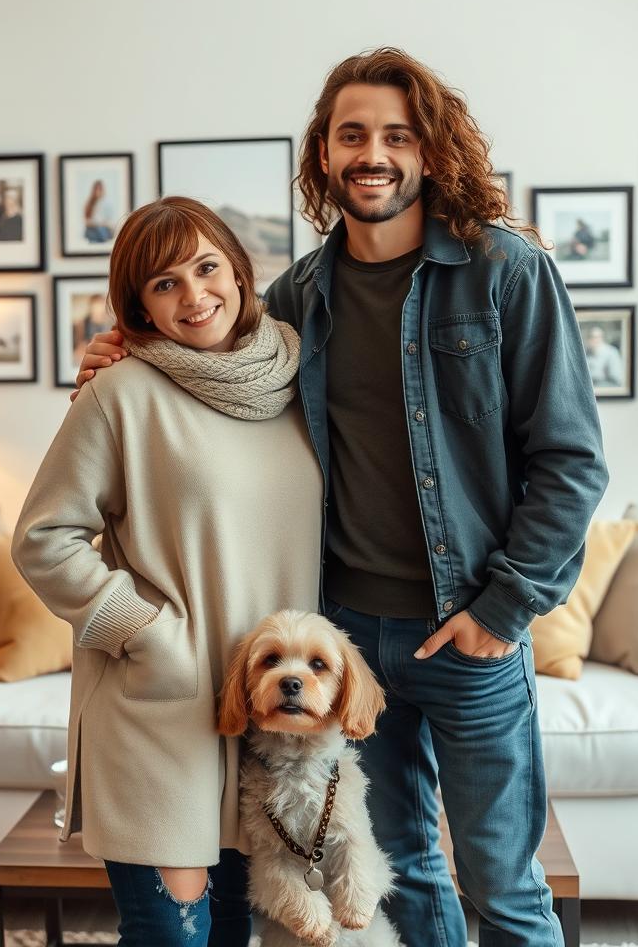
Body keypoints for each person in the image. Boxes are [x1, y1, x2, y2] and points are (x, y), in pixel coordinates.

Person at [74, 47, 609, 947]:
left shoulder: (505, 272)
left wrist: (501, 612)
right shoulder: (299, 297)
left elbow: (571, 462)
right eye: (351, 134)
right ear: (323, 153)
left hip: (471, 634)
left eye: (397, 136)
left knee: (505, 888)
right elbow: (215, 363)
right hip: (350, 636)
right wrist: (118, 350)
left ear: (431, 152)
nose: (374, 153)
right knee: (404, 874)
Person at [12, 196, 322, 947]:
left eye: (207, 267)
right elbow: (43, 538)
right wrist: (147, 633)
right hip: (165, 710)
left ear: (241, 272)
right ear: (139, 307)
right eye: (164, 284)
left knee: (230, 936)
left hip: (266, 718)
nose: (194, 295)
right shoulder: (120, 394)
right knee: (171, 937)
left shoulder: (301, 381)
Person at [84, 179, 116, 243]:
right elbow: (87, 222)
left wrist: (102, 224)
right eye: (96, 189)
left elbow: (108, 221)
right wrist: (96, 223)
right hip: (93, 229)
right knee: (92, 231)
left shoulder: (107, 203)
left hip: (103, 228)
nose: (98, 192)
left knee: (101, 230)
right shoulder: (89, 204)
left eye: (100, 189)